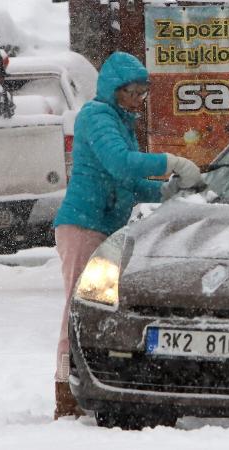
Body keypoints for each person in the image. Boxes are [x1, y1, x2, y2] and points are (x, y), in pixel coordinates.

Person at [51, 51, 202, 419]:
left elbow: (128, 184)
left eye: (141, 93)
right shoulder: (96, 116)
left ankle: (95, 383)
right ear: (113, 89)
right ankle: (65, 391)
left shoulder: (121, 122)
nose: (137, 100)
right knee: (77, 310)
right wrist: (171, 162)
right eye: (131, 93)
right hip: (83, 224)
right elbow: (120, 164)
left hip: (105, 226)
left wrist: (164, 191)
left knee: (98, 309)